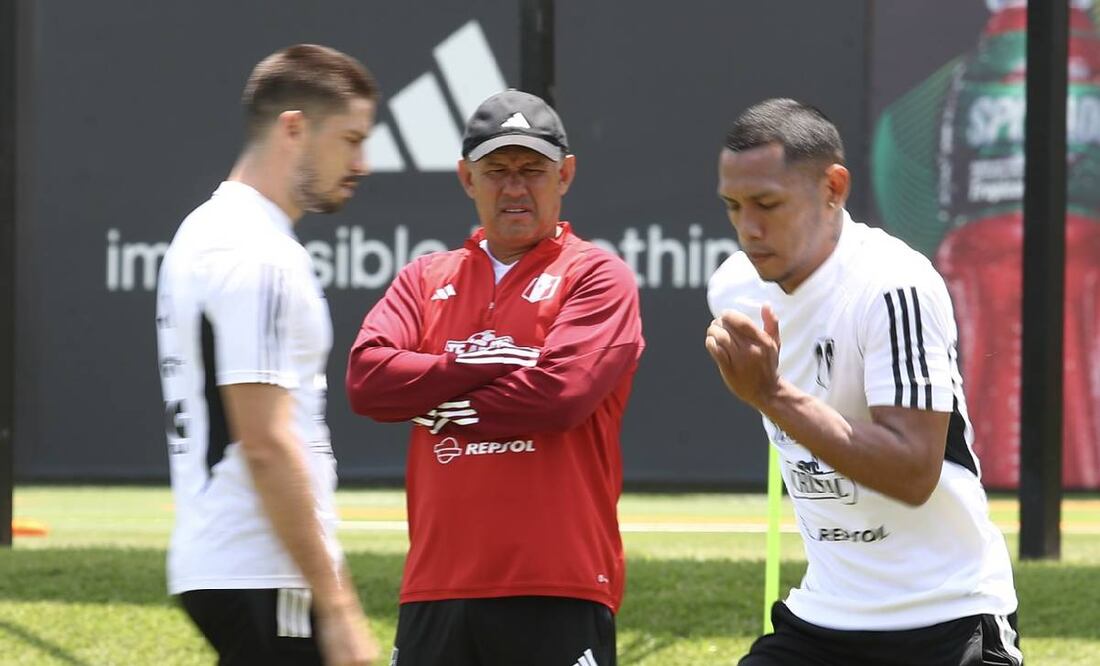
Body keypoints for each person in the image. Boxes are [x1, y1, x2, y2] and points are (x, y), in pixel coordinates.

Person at [704, 98, 1021, 665]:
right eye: (733, 207)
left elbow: (912, 470)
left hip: (944, 616)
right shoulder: (734, 290)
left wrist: (773, 395)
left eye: (767, 204)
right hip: (824, 617)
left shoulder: (894, 285)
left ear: (834, 187)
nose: (748, 229)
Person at [345, 89, 644, 666]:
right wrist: (468, 366)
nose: (514, 187)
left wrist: (429, 390)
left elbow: (560, 395)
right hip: (436, 584)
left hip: (559, 582)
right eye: (496, 171)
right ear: (465, 177)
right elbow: (367, 381)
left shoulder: (598, 276)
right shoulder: (421, 279)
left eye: (532, 170)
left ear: (566, 175)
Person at [155, 44, 381, 666]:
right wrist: (337, 605)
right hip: (263, 570)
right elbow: (265, 440)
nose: (361, 162)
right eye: (351, 139)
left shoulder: (206, 231)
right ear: (293, 128)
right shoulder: (258, 252)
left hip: (226, 563)